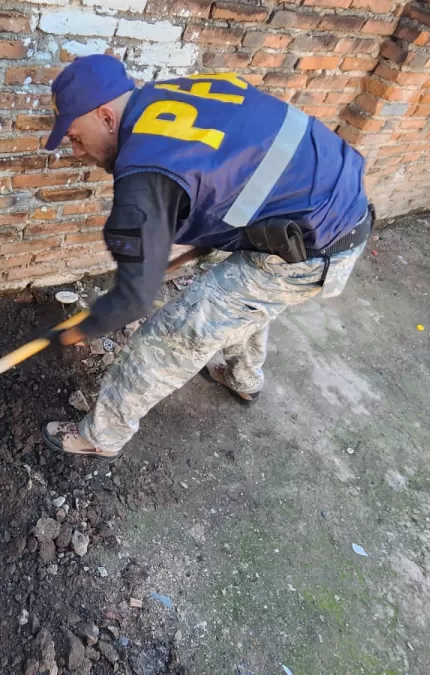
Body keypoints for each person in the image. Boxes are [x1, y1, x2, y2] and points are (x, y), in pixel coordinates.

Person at [40, 54, 373, 459]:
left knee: (169, 338)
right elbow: (230, 167)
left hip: (313, 245)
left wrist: (72, 332)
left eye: (75, 137)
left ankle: (101, 437)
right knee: (242, 299)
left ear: (107, 118)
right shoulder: (168, 97)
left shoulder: (144, 176)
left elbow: (133, 301)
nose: (77, 152)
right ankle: (242, 377)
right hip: (331, 207)